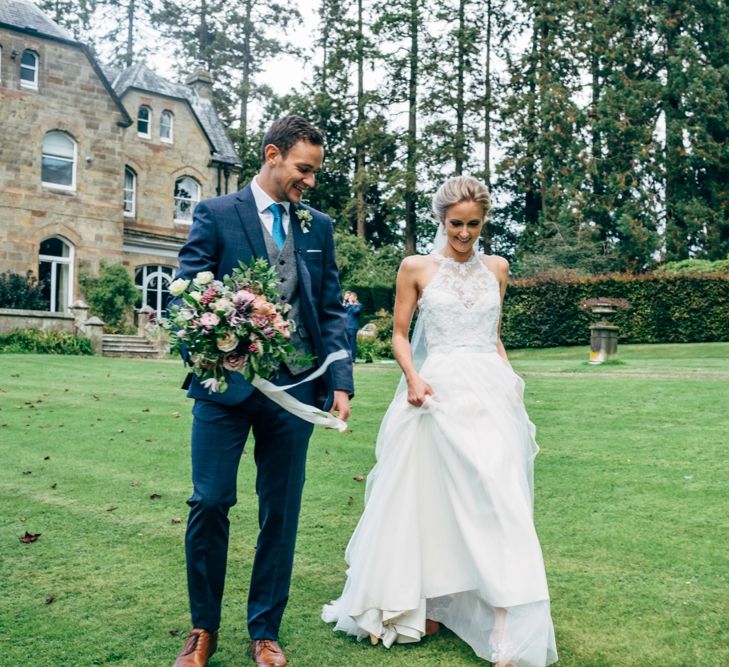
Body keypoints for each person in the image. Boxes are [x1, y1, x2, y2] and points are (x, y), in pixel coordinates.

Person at [322, 175, 557, 667]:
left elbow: (492, 336)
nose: (465, 233)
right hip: (435, 391)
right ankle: (423, 601)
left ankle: (503, 622)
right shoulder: (415, 268)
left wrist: (511, 380)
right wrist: (412, 378)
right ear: (441, 219)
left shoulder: (498, 267)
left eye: (474, 224)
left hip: (491, 391)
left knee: (498, 495)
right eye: (456, 223)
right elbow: (402, 335)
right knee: (427, 498)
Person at [171, 115, 353, 667]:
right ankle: (203, 630)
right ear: (273, 155)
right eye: (304, 169)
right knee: (209, 499)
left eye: (316, 172)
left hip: (295, 391)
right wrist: (211, 341)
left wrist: (340, 383)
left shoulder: (316, 227)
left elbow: (330, 309)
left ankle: (265, 631)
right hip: (223, 390)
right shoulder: (216, 213)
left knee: (282, 510)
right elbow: (185, 298)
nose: (311, 182)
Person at [343, 291, 363, 362]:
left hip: (353, 327)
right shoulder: (348, 305)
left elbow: (355, 312)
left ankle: (352, 358)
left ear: (355, 297)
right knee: (345, 342)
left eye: (351, 297)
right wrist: (345, 301)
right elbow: (342, 311)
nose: (350, 299)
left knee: (352, 343)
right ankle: (346, 358)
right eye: (349, 298)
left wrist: (351, 304)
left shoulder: (359, 305)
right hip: (345, 326)